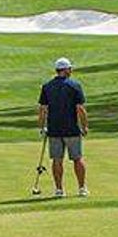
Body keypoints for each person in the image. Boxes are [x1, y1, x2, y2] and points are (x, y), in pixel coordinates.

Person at [38, 56, 88, 198]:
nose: (71, 70)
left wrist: (41, 127)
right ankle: (82, 188)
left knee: (57, 160)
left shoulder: (47, 86)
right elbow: (80, 109)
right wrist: (84, 126)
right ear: (65, 70)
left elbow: (42, 109)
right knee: (77, 158)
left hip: (54, 130)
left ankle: (59, 190)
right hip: (72, 129)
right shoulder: (75, 85)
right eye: (69, 68)